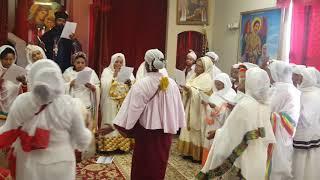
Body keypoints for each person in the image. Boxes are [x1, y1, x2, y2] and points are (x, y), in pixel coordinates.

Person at [0, 60, 92, 180]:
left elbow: (8, 132)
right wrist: (89, 130)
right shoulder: (70, 104)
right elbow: (82, 141)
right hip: (62, 164)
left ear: (32, 79)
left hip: (29, 166)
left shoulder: (22, 102)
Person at [112, 49, 185, 179]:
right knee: (160, 163)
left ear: (146, 64)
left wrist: (125, 126)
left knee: (143, 164)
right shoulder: (172, 83)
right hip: (165, 132)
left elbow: (133, 109)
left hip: (147, 132)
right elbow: (177, 108)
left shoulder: (142, 84)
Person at [198, 67, 275, 180]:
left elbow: (230, 137)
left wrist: (219, 133)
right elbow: (259, 133)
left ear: (251, 83)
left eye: (244, 80)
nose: (240, 81)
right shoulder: (265, 106)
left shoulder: (244, 105)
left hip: (241, 160)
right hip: (258, 157)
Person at [267, 60, 301, 180]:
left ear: (277, 74)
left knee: (275, 163)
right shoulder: (292, 89)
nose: (269, 75)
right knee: (283, 160)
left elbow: (269, 109)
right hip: (287, 131)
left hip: (278, 130)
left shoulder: (282, 89)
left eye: (270, 73)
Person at [178, 56, 213, 162]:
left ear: (205, 68)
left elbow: (202, 94)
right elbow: (190, 87)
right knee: (187, 129)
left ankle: (196, 155)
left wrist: (190, 90)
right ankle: (187, 152)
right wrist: (185, 89)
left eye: (199, 66)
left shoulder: (206, 78)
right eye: (196, 65)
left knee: (196, 131)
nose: (196, 68)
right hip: (190, 106)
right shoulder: (194, 75)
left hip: (199, 110)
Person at [100, 53, 135, 152]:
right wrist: (114, 76)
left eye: (121, 62)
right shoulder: (107, 71)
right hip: (110, 101)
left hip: (123, 102)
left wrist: (130, 83)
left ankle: (122, 146)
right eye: (116, 62)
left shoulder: (128, 72)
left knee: (121, 123)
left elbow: (134, 85)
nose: (119, 64)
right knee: (110, 120)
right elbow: (104, 86)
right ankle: (109, 146)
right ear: (112, 62)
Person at [201, 73, 236, 166]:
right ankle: (206, 164)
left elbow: (228, 112)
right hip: (212, 123)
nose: (217, 86)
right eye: (216, 84)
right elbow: (210, 107)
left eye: (219, 84)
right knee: (209, 142)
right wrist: (206, 105)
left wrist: (215, 107)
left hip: (220, 125)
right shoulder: (215, 94)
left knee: (217, 144)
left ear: (225, 84)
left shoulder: (231, 95)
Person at [292, 68, 320, 180]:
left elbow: (307, 117)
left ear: (307, 78)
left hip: (305, 132)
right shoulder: (302, 92)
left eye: (299, 76)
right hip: (310, 132)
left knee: (304, 161)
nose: (297, 79)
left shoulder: (312, 94)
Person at [63, 52, 100, 131]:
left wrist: (92, 87)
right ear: (74, 63)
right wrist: (70, 84)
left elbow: (97, 86)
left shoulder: (91, 72)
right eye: (78, 62)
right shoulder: (68, 72)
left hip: (87, 103)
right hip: (73, 103)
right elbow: (61, 87)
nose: (80, 65)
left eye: (82, 63)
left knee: (87, 126)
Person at [0, 45, 27, 124]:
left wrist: (24, 82)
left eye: (11, 59)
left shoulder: (17, 70)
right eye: (6, 59)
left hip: (15, 112)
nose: (8, 62)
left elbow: (26, 92)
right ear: (0, 59)